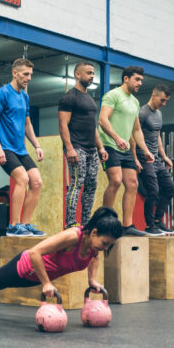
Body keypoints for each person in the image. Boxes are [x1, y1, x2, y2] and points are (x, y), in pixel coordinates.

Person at [0, 207, 123, 303]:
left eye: (109, 245)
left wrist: (92, 280)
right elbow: (35, 253)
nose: (105, 248)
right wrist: (47, 283)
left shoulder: (94, 247)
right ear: (93, 232)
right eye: (105, 243)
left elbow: (95, 257)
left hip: (35, 278)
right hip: (24, 267)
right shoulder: (73, 237)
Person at [0, 58, 46, 237]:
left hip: (20, 148)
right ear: (15, 73)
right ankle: (14, 225)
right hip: (3, 146)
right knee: (22, 178)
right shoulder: (3, 93)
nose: (28, 78)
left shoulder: (25, 96)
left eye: (30, 75)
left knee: (36, 181)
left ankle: (25, 225)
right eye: (25, 74)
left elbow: (27, 123)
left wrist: (36, 145)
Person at [98, 65, 155, 236]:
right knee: (115, 181)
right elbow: (102, 120)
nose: (139, 83)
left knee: (133, 183)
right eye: (137, 79)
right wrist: (116, 138)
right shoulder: (113, 95)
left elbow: (136, 130)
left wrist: (145, 150)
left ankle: (127, 225)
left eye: (141, 80)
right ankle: (105, 222)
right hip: (110, 144)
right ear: (126, 78)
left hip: (125, 149)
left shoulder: (135, 102)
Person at [58, 61, 108, 229]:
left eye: (93, 73)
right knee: (77, 183)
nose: (92, 76)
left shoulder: (89, 98)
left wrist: (100, 147)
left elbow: (92, 125)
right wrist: (70, 148)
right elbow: (63, 125)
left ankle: (86, 222)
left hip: (91, 149)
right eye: (88, 73)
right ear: (78, 75)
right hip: (76, 147)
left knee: (92, 184)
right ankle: (70, 222)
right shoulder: (69, 97)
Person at [136, 84, 174, 235]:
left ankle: (158, 221)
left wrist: (164, 156)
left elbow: (157, 136)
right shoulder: (142, 113)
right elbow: (135, 135)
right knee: (153, 191)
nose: (164, 104)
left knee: (170, 188)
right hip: (144, 157)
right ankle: (149, 225)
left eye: (166, 101)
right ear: (153, 95)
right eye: (162, 100)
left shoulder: (158, 114)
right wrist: (138, 157)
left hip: (156, 159)